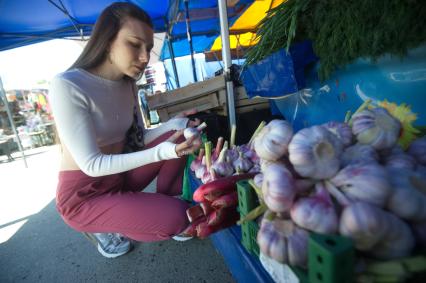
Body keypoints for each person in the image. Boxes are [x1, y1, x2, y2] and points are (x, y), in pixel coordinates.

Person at [49, 2, 201, 258]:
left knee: (182, 133)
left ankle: (162, 201)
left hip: (118, 178)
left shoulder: (128, 84)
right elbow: (91, 164)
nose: (144, 57)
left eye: (149, 48)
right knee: (179, 217)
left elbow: (137, 139)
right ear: (107, 40)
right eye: (134, 44)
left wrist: (174, 124)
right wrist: (164, 152)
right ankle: (107, 224)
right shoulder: (68, 84)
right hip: (84, 198)